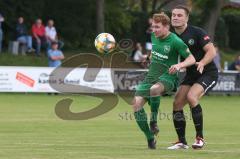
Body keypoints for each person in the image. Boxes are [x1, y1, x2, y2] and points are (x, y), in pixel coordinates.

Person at [132, 13, 195, 149]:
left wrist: (179, 65)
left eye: (157, 27)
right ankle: (150, 138)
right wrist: (148, 57)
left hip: (168, 77)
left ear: (167, 27)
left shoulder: (176, 41)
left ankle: (153, 121)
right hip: (151, 76)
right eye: (153, 26)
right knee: (136, 104)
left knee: (154, 89)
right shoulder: (154, 36)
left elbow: (191, 59)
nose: (154, 30)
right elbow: (155, 51)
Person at [167, 5, 218, 150]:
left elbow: (211, 51)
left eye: (179, 15)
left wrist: (202, 62)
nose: (175, 18)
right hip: (191, 74)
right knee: (177, 103)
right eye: (173, 15)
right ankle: (182, 142)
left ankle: (200, 138)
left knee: (191, 97)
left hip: (208, 72)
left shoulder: (197, 32)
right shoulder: (171, 37)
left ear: (187, 18)